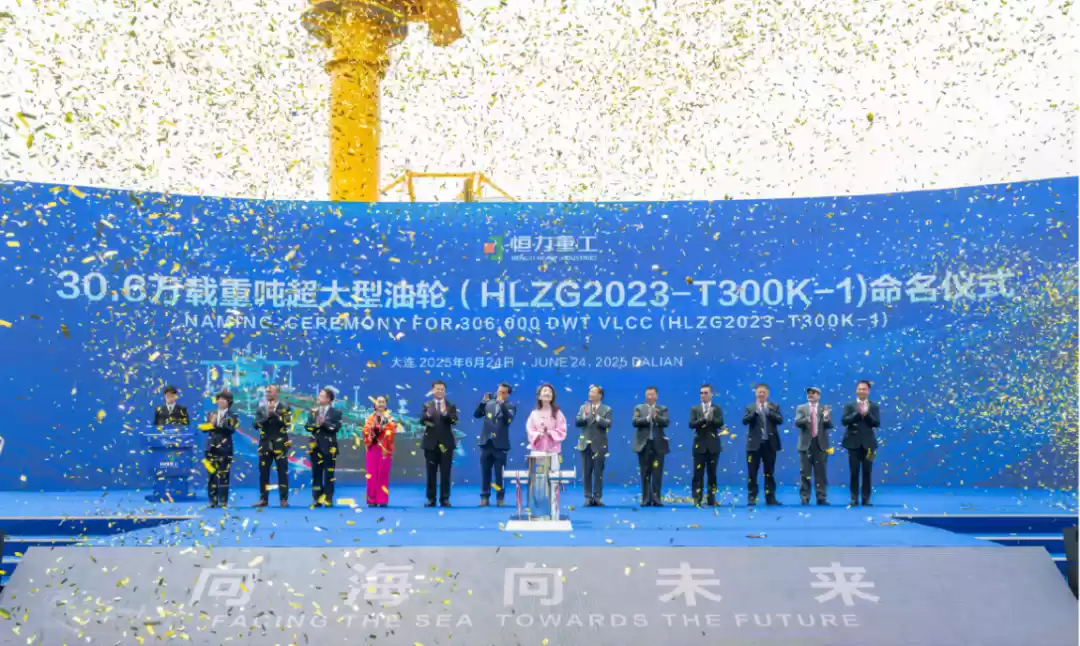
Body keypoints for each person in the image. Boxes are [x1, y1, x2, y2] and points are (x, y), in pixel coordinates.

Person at [475, 382, 517, 507]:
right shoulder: (488, 404)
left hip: (500, 445)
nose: (500, 394)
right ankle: (484, 497)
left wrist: (502, 404)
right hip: (486, 442)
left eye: (503, 393)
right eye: (499, 391)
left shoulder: (510, 406)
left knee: (500, 474)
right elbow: (477, 414)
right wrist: (483, 402)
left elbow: (508, 419)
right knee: (485, 472)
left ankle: (500, 498)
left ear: (508, 394)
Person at [741, 383, 783, 506]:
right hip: (754, 445)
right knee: (752, 472)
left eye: (764, 392)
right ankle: (752, 497)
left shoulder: (774, 406)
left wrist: (768, 412)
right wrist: (755, 413)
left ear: (768, 394)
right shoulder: (750, 407)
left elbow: (780, 420)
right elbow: (745, 421)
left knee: (769, 472)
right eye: (759, 392)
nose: (761, 394)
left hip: (770, 444)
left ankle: (770, 497)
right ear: (755, 393)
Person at [841, 380, 881, 507]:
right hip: (852, 443)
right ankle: (854, 498)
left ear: (868, 391)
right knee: (854, 472)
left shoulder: (874, 406)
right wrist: (857, 414)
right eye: (859, 389)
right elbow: (844, 421)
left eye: (864, 389)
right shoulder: (849, 405)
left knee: (867, 472)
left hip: (870, 444)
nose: (861, 391)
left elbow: (876, 423)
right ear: (856, 390)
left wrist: (867, 415)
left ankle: (866, 499)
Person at [254, 384, 293, 508]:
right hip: (265, 444)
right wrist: (267, 417)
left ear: (277, 393)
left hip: (280, 443)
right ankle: (263, 499)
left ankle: (283, 499)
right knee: (263, 472)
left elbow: (287, 423)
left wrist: (275, 414)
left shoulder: (285, 407)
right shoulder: (261, 408)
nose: (268, 393)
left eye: (270, 391)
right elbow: (256, 425)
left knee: (282, 472)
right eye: (266, 391)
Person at [421, 380, 458, 507]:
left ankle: (445, 499)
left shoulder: (450, 405)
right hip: (430, 443)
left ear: (445, 391)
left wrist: (445, 413)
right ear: (432, 390)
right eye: (437, 389)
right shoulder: (427, 405)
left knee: (445, 472)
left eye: (442, 389)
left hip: (446, 444)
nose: (440, 391)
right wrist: (428, 414)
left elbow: (455, 421)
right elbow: (422, 421)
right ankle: (431, 499)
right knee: (431, 473)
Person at [632, 386, 670, 507]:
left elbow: (666, 422)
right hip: (644, 445)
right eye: (648, 394)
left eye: (652, 394)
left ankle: (656, 498)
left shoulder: (662, 408)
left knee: (657, 473)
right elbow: (635, 422)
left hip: (658, 445)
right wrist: (648, 418)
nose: (650, 397)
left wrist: (655, 417)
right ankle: (646, 499)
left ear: (656, 396)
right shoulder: (639, 408)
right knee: (645, 472)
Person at [795, 386, 833, 506]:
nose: (810, 395)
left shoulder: (825, 408)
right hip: (805, 445)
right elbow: (797, 422)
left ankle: (821, 497)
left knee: (821, 473)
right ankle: (805, 497)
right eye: (809, 393)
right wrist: (808, 418)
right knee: (805, 473)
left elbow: (830, 425)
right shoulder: (801, 408)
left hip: (820, 445)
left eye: (813, 393)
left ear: (819, 396)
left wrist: (826, 417)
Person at [305, 387, 343, 508]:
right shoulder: (313, 411)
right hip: (315, 447)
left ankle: (328, 498)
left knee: (329, 474)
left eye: (322, 396)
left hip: (329, 447)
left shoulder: (336, 413)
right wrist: (316, 425)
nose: (319, 398)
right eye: (319, 395)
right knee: (316, 474)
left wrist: (324, 423)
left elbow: (335, 428)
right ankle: (316, 498)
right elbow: (307, 426)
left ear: (329, 399)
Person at [575, 385, 612, 507]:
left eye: (593, 392)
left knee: (598, 472)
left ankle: (597, 497)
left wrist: (597, 417)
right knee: (586, 472)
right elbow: (578, 422)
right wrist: (585, 417)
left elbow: (608, 424)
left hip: (599, 445)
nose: (590, 394)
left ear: (600, 395)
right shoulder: (584, 407)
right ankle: (587, 497)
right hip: (585, 444)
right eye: (590, 391)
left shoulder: (607, 409)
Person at [689, 384, 724, 507]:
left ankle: (711, 498)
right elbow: (691, 424)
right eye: (701, 393)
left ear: (711, 394)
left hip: (713, 445)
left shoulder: (717, 408)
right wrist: (703, 419)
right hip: (699, 445)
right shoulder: (695, 409)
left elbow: (720, 423)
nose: (703, 395)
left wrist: (711, 419)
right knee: (697, 473)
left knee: (712, 473)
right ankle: (697, 498)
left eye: (705, 393)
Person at [202, 391, 238, 508]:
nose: (220, 401)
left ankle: (223, 500)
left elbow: (231, 430)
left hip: (225, 448)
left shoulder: (233, 415)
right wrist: (209, 425)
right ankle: (212, 501)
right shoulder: (211, 413)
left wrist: (217, 424)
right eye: (219, 399)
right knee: (211, 475)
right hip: (210, 448)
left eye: (223, 399)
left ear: (229, 401)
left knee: (224, 474)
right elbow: (204, 429)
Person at [362, 395, 396, 507]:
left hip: (385, 449)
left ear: (386, 405)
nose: (381, 404)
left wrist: (383, 428)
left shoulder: (390, 419)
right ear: (375, 404)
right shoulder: (370, 418)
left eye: (383, 402)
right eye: (379, 402)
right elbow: (365, 430)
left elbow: (392, 431)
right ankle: (371, 500)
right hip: (372, 449)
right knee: (371, 475)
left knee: (383, 474)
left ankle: (382, 499)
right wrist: (374, 428)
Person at [526, 384, 568, 453]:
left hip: (553, 451)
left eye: (550, 392)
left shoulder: (557, 413)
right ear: (539, 396)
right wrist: (538, 434)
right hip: (537, 451)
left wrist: (549, 433)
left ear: (552, 397)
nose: (548, 393)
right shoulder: (534, 413)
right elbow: (530, 430)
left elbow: (562, 430)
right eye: (545, 391)